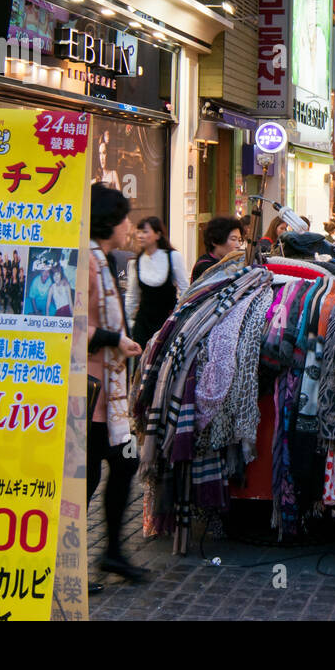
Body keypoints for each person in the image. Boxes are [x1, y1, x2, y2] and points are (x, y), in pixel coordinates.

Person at [87, 184, 146, 587]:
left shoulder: (102, 259)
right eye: (126, 218)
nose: (130, 226)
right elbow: (67, 323)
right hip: (88, 393)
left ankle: (111, 553)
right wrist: (115, 340)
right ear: (110, 222)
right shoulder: (86, 263)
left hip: (107, 394)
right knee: (88, 474)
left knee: (122, 462)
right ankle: (75, 558)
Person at [126, 216, 189, 351]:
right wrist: (128, 322)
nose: (140, 236)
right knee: (140, 364)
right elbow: (132, 296)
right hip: (143, 323)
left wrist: (179, 318)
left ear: (158, 234)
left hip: (166, 322)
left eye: (145, 232)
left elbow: (185, 290)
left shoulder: (173, 257)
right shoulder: (135, 262)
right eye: (139, 232)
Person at [191, 217, 244, 281]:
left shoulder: (232, 262)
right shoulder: (205, 266)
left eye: (239, 240)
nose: (238, 245)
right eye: (233, 239)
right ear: (215, 241)